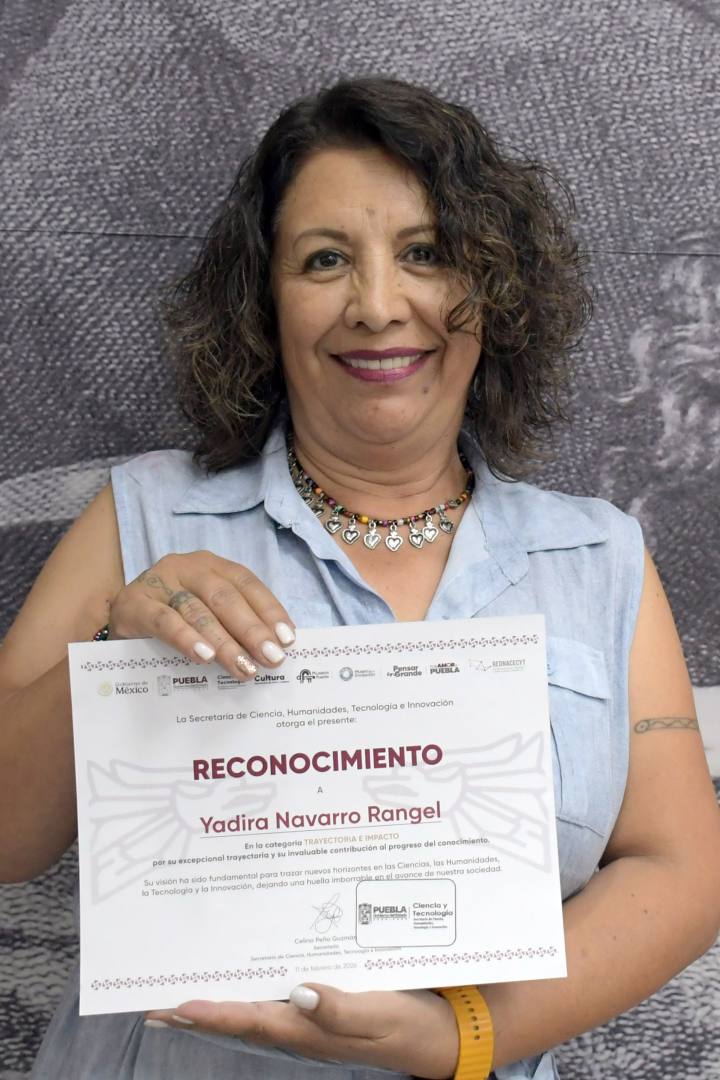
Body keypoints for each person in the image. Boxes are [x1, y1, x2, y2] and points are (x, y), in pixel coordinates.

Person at [1, 76, 718, 1080]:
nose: (379, 307)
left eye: (425, 253)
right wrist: (116, 648)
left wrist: (458, 1036)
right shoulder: (143, 516)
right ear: (265, 302)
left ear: (495, 290)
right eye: (325, 260)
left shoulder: (598, 556)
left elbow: (681, 869)